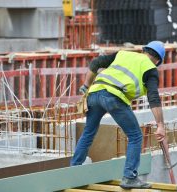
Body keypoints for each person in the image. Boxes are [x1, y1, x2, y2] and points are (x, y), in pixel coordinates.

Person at [71, 41, 166, 189]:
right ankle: (129, 177)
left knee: (89, 132)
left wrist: (85, 85)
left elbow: (96, 63)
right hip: (114, 97)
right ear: (158, 60)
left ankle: (74, 169)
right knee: (135, 136)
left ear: (144, 50)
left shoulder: (123, 54)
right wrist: (160, 125)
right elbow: (153, 97)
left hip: (95, 93)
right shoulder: (151, 69)